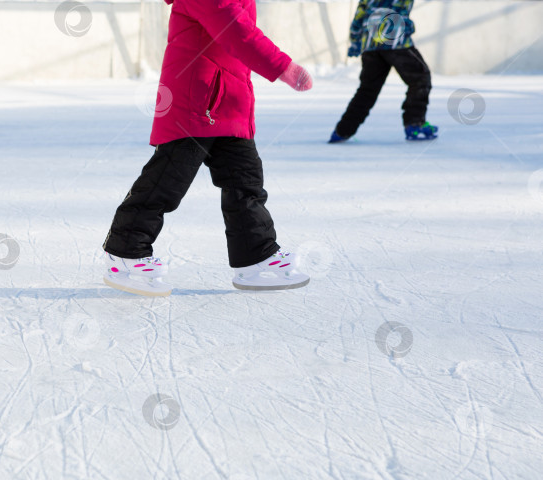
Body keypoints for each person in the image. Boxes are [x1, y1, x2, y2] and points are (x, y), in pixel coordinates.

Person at [101, 0, 313, 297]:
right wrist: (283, 67)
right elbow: (235, 30)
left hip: (229, 101)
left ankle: (255, 257)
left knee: (245, 182)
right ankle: (125, 253)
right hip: (196, 101)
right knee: (166, 181)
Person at [329, 0, 438, 143]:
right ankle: (414, 123)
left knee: (367, 90)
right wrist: (407, 25)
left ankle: (342, 131)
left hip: (371, 43)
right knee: (420, 78)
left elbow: (359, 14)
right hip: (395, 41)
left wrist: (355, 40)